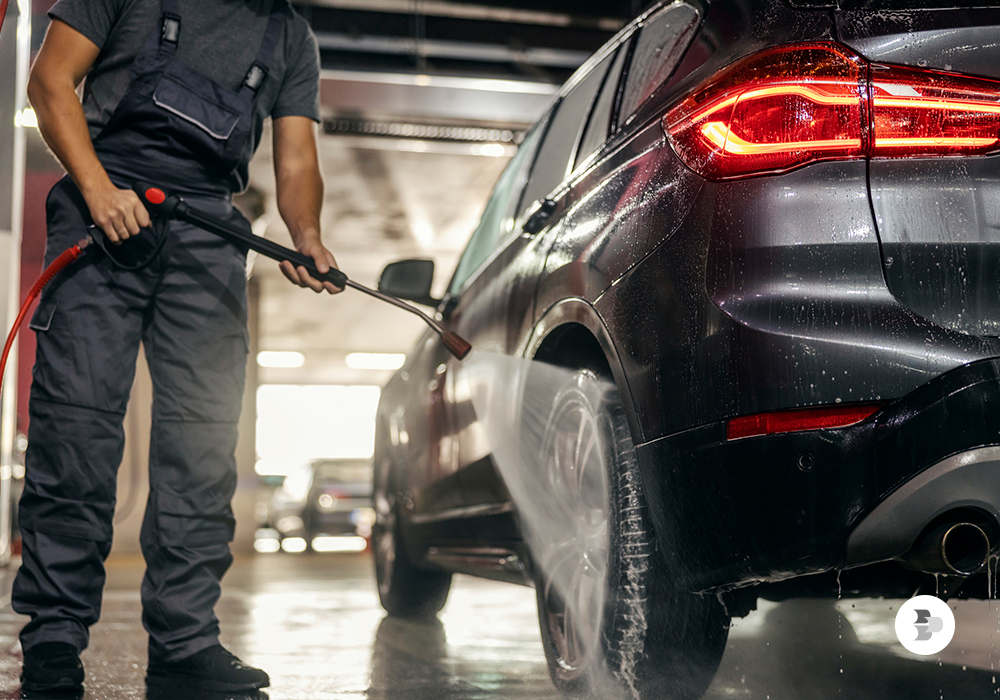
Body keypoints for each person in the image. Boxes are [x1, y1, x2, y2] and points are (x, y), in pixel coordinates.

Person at [14, 0, 341, 693]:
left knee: (202, 450)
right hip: (104, 213)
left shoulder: (290, 35)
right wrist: (99, 190)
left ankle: (187, 641)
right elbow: (49, 83)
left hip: (210, 236)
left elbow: (297, 155)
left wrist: (306, 233)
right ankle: (53, 641)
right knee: (76, 434)